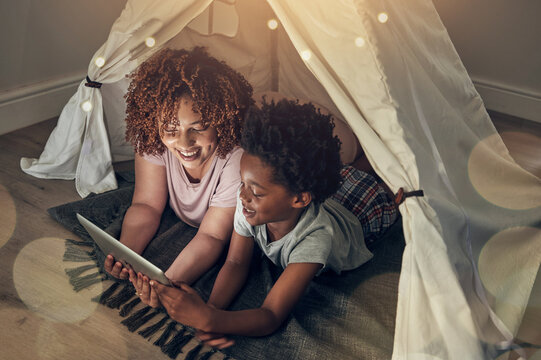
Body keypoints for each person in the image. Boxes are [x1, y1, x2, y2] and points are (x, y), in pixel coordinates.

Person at [150, 99, 398, 347]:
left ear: (299, 199)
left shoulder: (316, 238)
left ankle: (391, 151)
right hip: (331, 193)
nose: (243, 196)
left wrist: (212, 320)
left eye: (256, 192)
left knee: (391, 195)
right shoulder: (249, 204)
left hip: (361, 210)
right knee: (346, 173)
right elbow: (236, 262)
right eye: (242, 183)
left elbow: (270, 316)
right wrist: (212, 310)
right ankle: (366, 159)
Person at [104, 47, 254, 308]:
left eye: (198, 128)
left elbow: (212, 236)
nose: (185, 143)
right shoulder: (153, 139)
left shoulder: (236, 159)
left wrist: (167, 284)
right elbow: (146, 206)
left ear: (220, 121)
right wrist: (125, 255)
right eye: (172, 129)